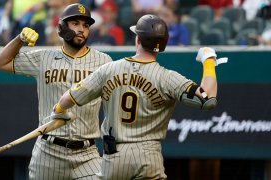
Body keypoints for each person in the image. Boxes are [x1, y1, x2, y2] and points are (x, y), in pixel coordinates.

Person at [51, 14, 228, 179]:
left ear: (138, 39)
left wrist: (59, 110)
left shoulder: (110, 69)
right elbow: (208, 99)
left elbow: (70, 97)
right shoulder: (168, 77)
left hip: (115, 157)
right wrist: (209, 61)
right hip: (149, 157)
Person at [0, 3, 113, 180]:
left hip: (87, 154)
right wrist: (20, 39)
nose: (81, 29)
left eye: (86, 25)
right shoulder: (43, 57)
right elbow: (0, 62)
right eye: (75, 23)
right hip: (48, 152)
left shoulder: (103, 61)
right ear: (62, 27)